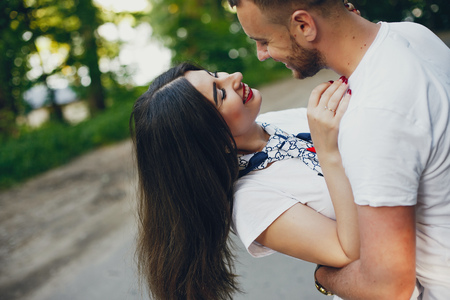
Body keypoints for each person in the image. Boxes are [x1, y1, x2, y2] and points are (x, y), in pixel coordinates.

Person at [227, 0, 450, 299]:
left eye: (264, 41)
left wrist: (323, 275)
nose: (262, 54)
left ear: (304, 25)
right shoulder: (413, 34)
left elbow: (387, 288)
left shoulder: (374, 115)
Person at [130, 62, 356, 300]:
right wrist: (329, 153)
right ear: (207, 137)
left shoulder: (275, 122)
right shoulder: (249, 200)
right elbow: (348, 252)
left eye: (216, 74)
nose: (235, 76)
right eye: (221, 94)